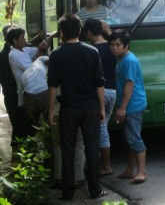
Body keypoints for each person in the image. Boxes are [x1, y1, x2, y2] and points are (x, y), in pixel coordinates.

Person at [47, 13, 107, 200]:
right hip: (90, 107)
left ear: (61, 33)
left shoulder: (56, 55)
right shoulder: (92, 52)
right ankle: (95, 190)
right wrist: (102, 108)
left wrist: (50, 111)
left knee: (67, 150)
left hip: (69, 109)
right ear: (80, 31)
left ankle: (67, 192)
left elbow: (52, 86)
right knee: (91, 148)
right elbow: (100, 83)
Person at [109, 30, 148, 184]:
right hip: (129, 105)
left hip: (133, 106)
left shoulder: (129, 61)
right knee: (128, 138)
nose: (114, 48)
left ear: (126, 46)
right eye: (112, 45)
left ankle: (141, 172)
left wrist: (123, 107)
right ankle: (130, 170)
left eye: (118, 45)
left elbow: (129, 85)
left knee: (133, 138)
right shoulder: (122, 59)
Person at [83, 18, 117, 176]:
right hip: (113, 92)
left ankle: (106, 166)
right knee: (103, 128)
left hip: (100, 93)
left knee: (101, 129)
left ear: (89, 32)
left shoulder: (90, 50)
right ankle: (102, 163)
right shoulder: (112, 47)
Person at [7, 26, 49, 135]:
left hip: (34, 92)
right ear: (15, 41)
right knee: (30, 127)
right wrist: (41, 51)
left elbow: (36, 50)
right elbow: (32, 70)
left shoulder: (23, 50)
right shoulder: (14, 55)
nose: (25, 40)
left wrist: (43, 45)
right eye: (22, 38)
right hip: (29, 93)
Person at [0, 24, 30, 148]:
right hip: (12, 95)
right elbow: (7, 77)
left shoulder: (21, 50)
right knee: (18, 126)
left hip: (21, 93)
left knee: (24, 125)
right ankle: (17, 159)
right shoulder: (4, 55)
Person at [19, 55, 49, 126]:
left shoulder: (27, 71)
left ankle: (37, 127)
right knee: (48, 118)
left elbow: (21, 91)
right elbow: (49, 60)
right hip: (44, 93)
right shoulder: (40, 59)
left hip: (29, 98)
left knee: (36, 123)